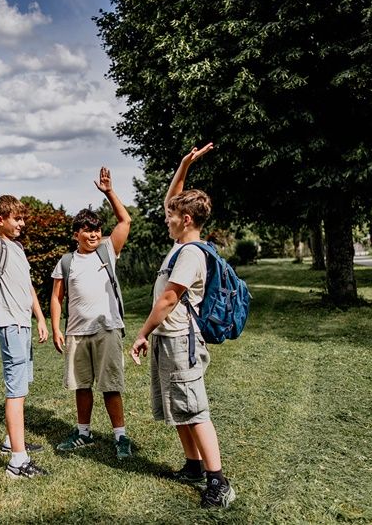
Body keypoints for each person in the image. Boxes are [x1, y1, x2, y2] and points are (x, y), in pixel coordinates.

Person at [130, 142, 236, 508]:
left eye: (172, 216)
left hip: (179, 339)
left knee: (194, 407)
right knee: (178, 407)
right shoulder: (180, 244)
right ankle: (193, 465)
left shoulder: (190, 253)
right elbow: (171, 200)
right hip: (169, 338)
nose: (166, 217)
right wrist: (184, 165)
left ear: (186, 220)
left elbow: (169, 299)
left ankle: (218, 481)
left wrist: (142, 332)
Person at [0, 144, 50, 479]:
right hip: (8, 324)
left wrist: (41, 318)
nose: (22, 224)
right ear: (0, 221)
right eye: (17, 219)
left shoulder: (17, 249)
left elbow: (29, 287)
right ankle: (18, 463)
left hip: (24, 324)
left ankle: (10, 441)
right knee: (15, 390)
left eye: (23, 219)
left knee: (23, 385)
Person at [50, 167, 133, 459]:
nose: (94, 233)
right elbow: (57, 297)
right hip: (77, 332)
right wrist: (57, 328)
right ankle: (83, 433)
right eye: (88, 229)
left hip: (107, 329)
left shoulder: (108, 250)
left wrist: (109, 192)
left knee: (110, 385)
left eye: (97, 228)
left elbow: (125, 220)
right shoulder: (66, 261)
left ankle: (121, 438)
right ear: (77, 235)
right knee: (81, 385)